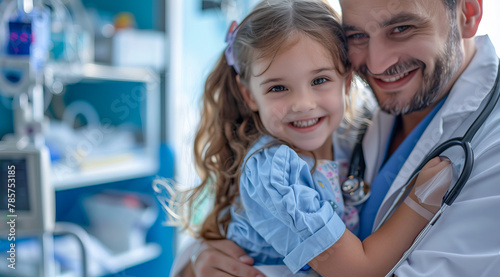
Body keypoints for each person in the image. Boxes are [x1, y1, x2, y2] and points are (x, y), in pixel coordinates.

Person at [170, 0, 500, 276]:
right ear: (249, 94)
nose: (376, 63)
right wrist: (198, 263)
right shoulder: (319, 141)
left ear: (468, 12)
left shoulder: (490, 144)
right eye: (357, 35)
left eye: (402, 28)